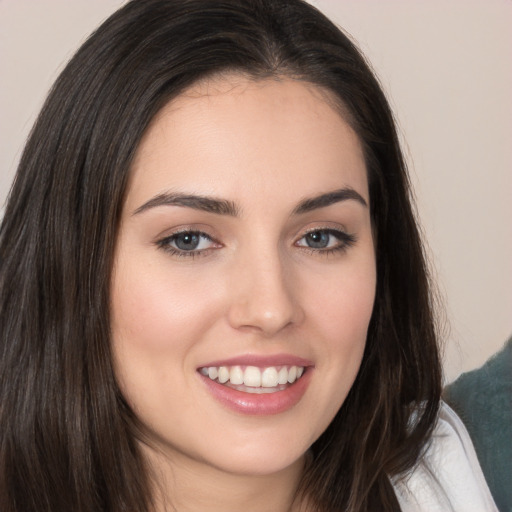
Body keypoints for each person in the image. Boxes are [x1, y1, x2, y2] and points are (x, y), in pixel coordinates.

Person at [0, 1, 498, 511]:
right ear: (70, 262)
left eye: (321, 237)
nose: (270, 308)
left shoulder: (478, 460)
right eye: (189, 239)